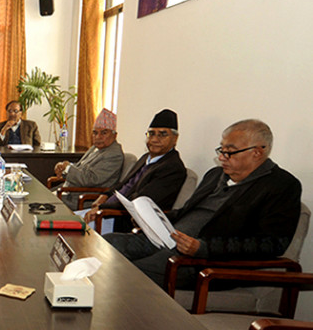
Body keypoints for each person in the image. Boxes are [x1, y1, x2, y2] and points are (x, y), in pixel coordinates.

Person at [104, 119, 301, 290]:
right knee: (106, 245)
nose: (221, 157)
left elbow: (272, 244)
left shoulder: (281, 186)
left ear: (257, 153)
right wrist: (149, 219)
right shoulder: (215, 175)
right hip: (167, 240)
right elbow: (187, 213)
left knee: (127, 272)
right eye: (221, 150)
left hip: (205, 262)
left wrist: (203, 248)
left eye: (229, 152)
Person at [86, 109, 187, 232]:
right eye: (151, 134)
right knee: (67, 224)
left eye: (162, 134)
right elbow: (124, 184)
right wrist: (105, 195)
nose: (155, 139)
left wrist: (102, 207)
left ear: (175, 138)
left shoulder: (172, 168)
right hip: (107, 211)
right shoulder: (146, 157)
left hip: (122, 220)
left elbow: (139, 201)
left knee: (73, 231)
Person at [53, 109, 125, 210]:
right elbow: (81, 167)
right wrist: (63, 167)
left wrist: (68, 168)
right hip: (68, 191)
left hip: (82, 199)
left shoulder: (114, 154)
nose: (98, 137)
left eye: (104, 133)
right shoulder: (96, 148)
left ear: (114, 135)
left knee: (40, 203)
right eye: (95, 133)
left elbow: (90, 179)